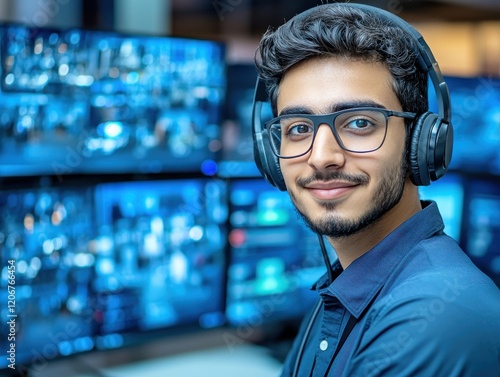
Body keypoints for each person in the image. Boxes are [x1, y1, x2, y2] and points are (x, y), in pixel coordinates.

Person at [251, 3, 500, 376]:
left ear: (421, 143)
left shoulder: (435, 317)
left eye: (360, 123)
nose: (321, 158)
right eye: (298, 128)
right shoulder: (348, 289)